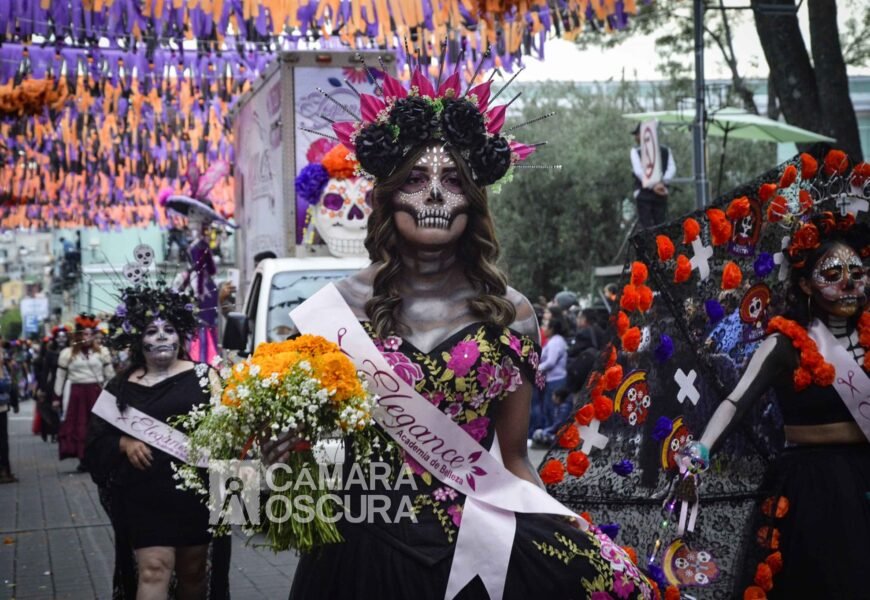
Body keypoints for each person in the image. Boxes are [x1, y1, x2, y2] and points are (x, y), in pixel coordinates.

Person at [279, 67, 652, 599]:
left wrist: (565, 530)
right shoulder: (335, 310)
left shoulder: (510, 312)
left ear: (474, 198)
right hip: (360, 548)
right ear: (387, 195)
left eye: (452, 180)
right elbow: (314, 450)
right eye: (414, 179)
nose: (434, 195)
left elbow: (515, 457)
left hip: (476, 546)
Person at [688, 212, 870, 598]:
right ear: (805, 283)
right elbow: (736, 401)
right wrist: (700, 450)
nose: (849, 282)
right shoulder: (784, 343)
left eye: (856, 271)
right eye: (833, 273)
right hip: (813, 488)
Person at [84, 281, 230, 599]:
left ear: (181, 334)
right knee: (153, 569)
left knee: (194, 573)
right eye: (152, 331)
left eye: (169, 329)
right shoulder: (120, 386)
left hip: (196, 496)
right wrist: (123, 444)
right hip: (143, 495)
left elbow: (232, 431)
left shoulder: (206, 377)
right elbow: (94, 443)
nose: (161, 336)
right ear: (138, 339)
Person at [55, 314, 114, 470]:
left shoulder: (102, 352)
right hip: (76, 394)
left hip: (96, 393)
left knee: (97, 426)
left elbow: (110, 375)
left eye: (90, 334)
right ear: (78, 335)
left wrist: (112, 394)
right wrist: (57, 396)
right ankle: (83, 459)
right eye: (84, 333)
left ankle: (98, 457)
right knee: (79, 427)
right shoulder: (67, 353)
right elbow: (60, 376)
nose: (88, 337)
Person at [630, 124, 676, 229]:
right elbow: (672, 169)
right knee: (660, 225)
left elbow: (639, 172)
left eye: (637, 134)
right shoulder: (665, 150)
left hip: (644, 193)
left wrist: (654, 185)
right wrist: (661, 183)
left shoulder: (636, 151)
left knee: (647, 227)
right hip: (660, 191)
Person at [0, 348, 19, 483]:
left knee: (3, 441)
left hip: (3, 408)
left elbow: (9, 386)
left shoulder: (5, 369)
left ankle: (5, 470)